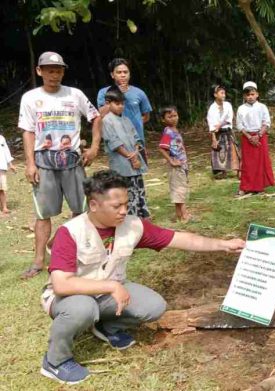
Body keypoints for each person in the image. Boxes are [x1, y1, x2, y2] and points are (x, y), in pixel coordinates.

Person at [39, 170, 245, 384]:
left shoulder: (132, 225)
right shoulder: (70, 231)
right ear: (93, 205)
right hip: (69, 297)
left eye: (126, 204)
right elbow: (62, 284)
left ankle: (106, 326)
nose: (123, 211)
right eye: (116, 206)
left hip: (108, 292)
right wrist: (111, 286)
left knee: (154, 306)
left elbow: (179, 239)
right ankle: (56, 361)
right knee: (82, 308)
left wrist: (223, 244)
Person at [18, 51, 102, 279]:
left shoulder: (75, 95)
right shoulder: (30, 98)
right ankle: (38, 261)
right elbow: (28, 131)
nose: (54, 75)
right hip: (43, 162)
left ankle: (67, 249)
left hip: (72, 161)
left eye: (58, 70)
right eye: (49, 71)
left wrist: (94, 147)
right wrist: (30, 163)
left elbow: (95, 117)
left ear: (63, 71)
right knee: (43, 214)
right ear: (39, 71)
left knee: (82, 210)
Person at [101, 86, 151, 218]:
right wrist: (130, 156)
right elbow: (114, 142)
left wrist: (135, 153)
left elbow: (136, 137)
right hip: (121, 164)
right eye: (117, 104)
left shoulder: (126, 119)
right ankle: (129, 219)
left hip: (135, 162)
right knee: (126, 192)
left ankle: (142, 218)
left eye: (122, 103)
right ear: (108, 103)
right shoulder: (106, 121)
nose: (121, 106)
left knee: (138, 189)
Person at [97, 58, 152, 162]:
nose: (123, 75)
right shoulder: (104, 93)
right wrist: (116, 93)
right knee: (119, 174)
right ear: (112, 75)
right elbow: (101, 115)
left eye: (125, 72)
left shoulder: (139, 93)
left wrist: (132, 126)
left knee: (139, 172)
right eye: (119, 72)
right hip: (115, 142)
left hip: (137, 141)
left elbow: (146, 116)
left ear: (129, 74)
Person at [236, 81, 275, 195]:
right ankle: (245, 187)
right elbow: (239, 125)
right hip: (247, 138)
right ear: (244, 96)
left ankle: (259, 187)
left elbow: (266, 122)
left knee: (260, 162)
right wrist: (249, 137)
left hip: (260, 137)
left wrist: (258, 136)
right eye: (248, 95)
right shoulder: (241, 109)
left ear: (257, 94)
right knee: (248, 163)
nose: (250, 97)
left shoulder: (262, 107)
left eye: (252, 94)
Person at [157, 106, 190, 222]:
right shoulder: (168, 132)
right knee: (179, 190)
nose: (173, 118)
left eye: (175, 115)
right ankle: (184, 215)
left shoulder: (175, 131)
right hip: (176, 166)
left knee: (179, 189)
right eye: (169, 117)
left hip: (182, 165)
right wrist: (170, 160)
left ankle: (179, 214)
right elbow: (161, 148)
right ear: (163, 119)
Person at [206, 84, 240, 179]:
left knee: (234, 150)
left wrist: (220, 124)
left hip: (228, 131)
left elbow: (230, 118)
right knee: (220, 152)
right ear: (215, 95)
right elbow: (211, 124)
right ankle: (223, 171)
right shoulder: (212, 108)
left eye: (224, 93)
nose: (224, 95)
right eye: (221, 93)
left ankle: (238, 171)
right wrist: (213, 139)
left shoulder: (228, 105)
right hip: (218, 133)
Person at [0, 132, 17, 215]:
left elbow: (6, 151)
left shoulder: (1, 138)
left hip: (1, 166)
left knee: (2, 188)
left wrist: (11, 164)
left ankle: (4, 207)